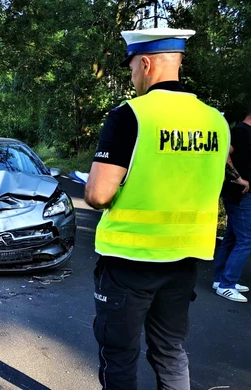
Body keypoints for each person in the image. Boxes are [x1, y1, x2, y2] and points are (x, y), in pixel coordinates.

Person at [84, 28, 230, 389]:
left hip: (129, 260)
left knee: (120, 354)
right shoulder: (217, 121)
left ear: (146, 63)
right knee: (169, 350)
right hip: (185, 260)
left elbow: (98, 195)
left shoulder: (130, 115)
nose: (132, 76)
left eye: (132, 66)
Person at [213, 106, 251, 302]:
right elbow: (223, 156)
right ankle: (227, 284)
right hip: (239, 195)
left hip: (240, 195)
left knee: (233, 237)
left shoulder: (245, 132)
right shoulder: (239, 131)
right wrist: (239, 179)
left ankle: (221, 280)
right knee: (246, 240)